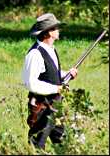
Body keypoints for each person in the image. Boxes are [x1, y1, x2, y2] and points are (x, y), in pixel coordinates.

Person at [22, 13, 78, 149]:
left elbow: (51, 73)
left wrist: (67, 74)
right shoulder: (35, 54)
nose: (58, 30)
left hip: (54, 105)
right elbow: (30, 83)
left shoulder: (51, 49)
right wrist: (56, 88)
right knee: (37, 145)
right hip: (41, 107)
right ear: (48, 33)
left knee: (63, 141)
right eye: (55, 28)